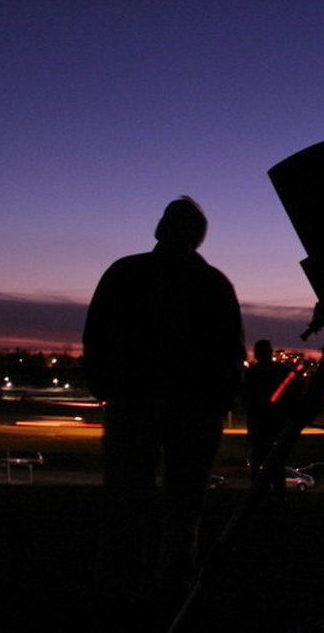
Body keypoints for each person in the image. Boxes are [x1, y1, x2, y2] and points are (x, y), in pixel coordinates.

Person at [84, 196, 244, 615]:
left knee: (124, 499)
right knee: (184, 506)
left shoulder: (125, 272)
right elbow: (230, 350)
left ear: (160, 229)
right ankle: (175, 586)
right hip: (195, 409)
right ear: (198, 238)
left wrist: (103, 385)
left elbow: (96, 333)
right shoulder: (213, 284)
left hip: (133, 402)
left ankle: (116, 588)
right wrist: (222, 397)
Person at [244, 339, 300, 500]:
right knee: (276, 463)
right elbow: (294, 392)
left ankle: (256, 496)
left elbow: (247, 400)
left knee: (259, 462)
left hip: (260, 427)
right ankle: (277, 495)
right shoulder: (282, 371)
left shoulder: (252, 373)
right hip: (276, 425)